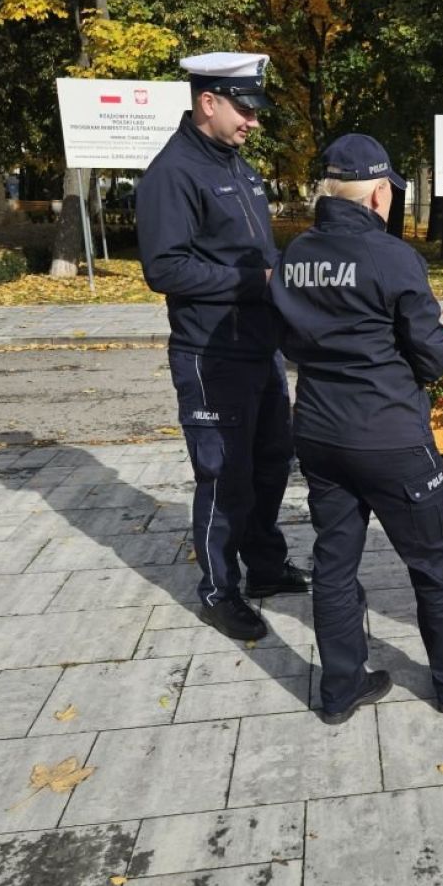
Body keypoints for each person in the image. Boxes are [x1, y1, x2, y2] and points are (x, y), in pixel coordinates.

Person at [270, 133, 443, 725]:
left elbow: (287, 339)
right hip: (391, 438)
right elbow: (432, 357)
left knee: (333, 565)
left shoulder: (295, 253)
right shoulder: (391, 255)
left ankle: (341, 688)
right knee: (433, 562)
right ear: (379, 192)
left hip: (321, 433)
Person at [137, 51, 310, 643]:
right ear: (207, 101)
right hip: (210, 353)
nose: (253, 121)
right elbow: (164, 269)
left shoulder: (236, 164)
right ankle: (218, 590)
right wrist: (256, 282)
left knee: (269, 461)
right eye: (243, 108)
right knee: (223, 475)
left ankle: (263, 564)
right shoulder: (173, 171)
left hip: (257, 345)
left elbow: (256, 251)